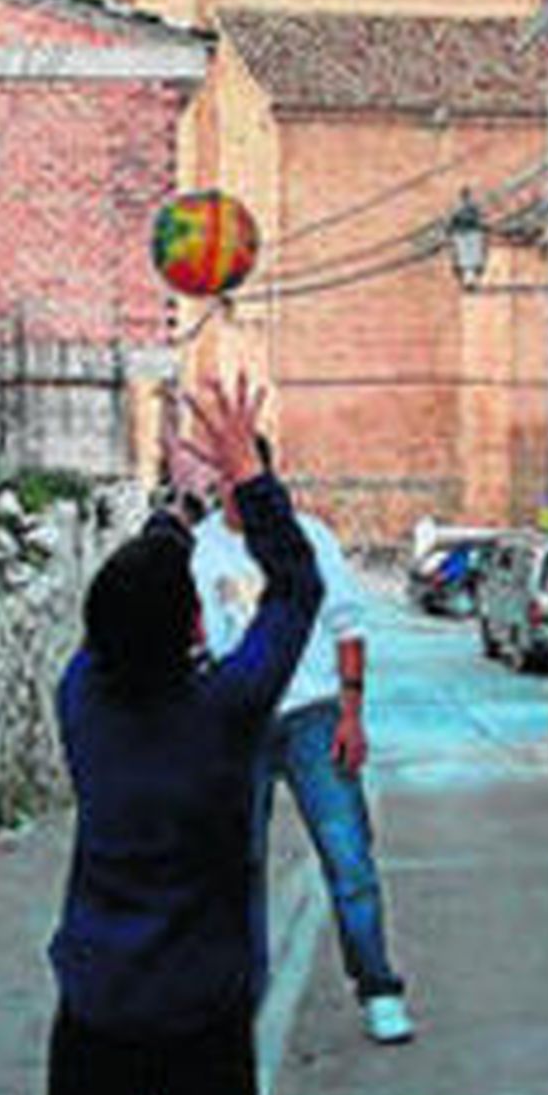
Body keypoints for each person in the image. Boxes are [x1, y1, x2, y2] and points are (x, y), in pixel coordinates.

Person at [10, 373, 320, 1095]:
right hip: (201, 1017)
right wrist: (245, 477)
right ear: (195, 628)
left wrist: (171, 514)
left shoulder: (82, 696)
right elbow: (295, 589)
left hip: (96, 1007)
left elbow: (132, 610)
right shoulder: (226, 713)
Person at [191, 439, 414, 1044]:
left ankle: (379, 989)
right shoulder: (200, 546)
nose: (231, 484)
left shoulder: (308, 538)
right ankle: (237, 994)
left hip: (312, 714)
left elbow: (348, 627)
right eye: (223, 473)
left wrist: (351, 714)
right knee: (237, 867)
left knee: (349, 858)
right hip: (237, 723)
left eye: (242, 471)